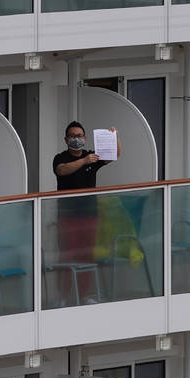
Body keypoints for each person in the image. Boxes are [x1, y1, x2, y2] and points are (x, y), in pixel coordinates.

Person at [50, 122, 121, 305]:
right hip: (67, 216)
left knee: (87, 255)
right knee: (67, 255)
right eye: (73, 136)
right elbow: (61, 170)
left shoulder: (92, 156)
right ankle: (63, 296)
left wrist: (114, 136)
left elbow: (114, 155)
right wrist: (83, 161)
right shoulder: (60, 158)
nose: (77, 139)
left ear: (85, 138)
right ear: (66, 139)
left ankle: (83, 295)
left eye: (80, 135)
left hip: (89, 215)